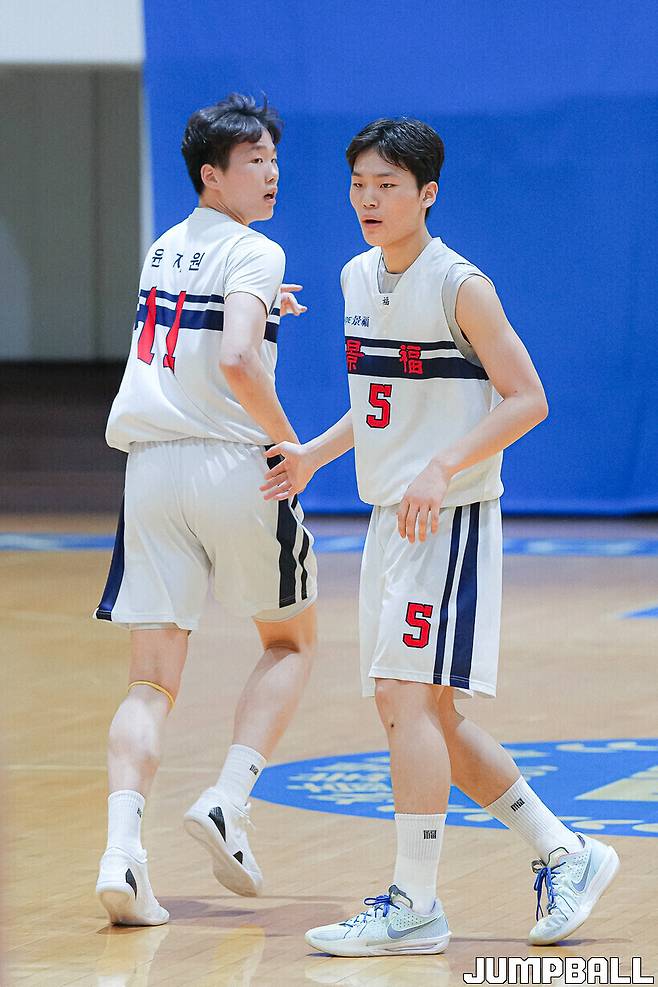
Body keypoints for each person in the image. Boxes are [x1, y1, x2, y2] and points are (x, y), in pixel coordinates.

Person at [261, 117, 619, 956]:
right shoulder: (355, 276)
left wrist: (442, 465)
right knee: (424, 715)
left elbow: (528, 397)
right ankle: (564, 850)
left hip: (448, 516)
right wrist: (313, 454)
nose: (368, 200)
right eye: (359, 185)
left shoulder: (461, 285)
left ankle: (415, 902)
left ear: (427, 193)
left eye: (387, 186)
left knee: (405, 699)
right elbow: (381, 402)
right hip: (391, 519)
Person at [93, 93, 317, 927]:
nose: (272, 173)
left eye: (273, 159)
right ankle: (227, 797)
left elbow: (200, 330)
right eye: (254, 160)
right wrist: (289, 443)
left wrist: (264, 303)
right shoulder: (255, 249)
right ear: (211, 175)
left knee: (150, 679)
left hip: (150, 470)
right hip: (231, 463)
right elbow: (234, 359)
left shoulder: (163, 247)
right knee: (291, 640)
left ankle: (122, 854)